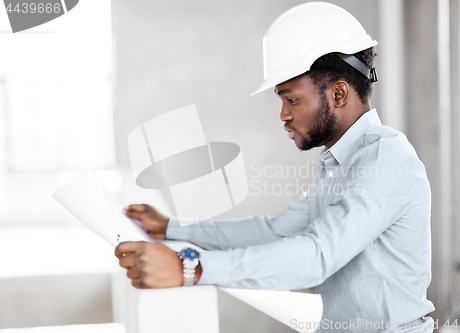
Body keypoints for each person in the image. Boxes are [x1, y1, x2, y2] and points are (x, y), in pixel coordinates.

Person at [115, 2, 435, 332]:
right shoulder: (338, 163)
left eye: (291, 98)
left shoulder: (386, 158)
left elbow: (318, 255)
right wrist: (171, 227)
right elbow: (274, 231)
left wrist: (190, 268)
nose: (283, 114)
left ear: (339, 93)